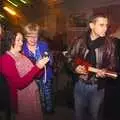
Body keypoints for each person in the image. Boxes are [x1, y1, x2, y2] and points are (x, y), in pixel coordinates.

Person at [66, 14, 119, 120]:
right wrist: (75, 68)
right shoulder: (79, 40)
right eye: (101, 25)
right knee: (79, 115)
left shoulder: (110, 44)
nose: (105, 28)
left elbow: (113, 65)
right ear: (91, 25)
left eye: (106, 25)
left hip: (97, 87)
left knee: (94, 116)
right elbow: (69, 58)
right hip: (80, 85)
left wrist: (104, 72)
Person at [0, 29, 49, 120]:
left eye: (22, 40)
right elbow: (19, 84)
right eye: (18, 40)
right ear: (10, 40)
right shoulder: (5, 59)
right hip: (22, 100)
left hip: (33, 95)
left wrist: (41, 66)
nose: (21, 43)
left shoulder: (22, 55)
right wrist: (37, 67)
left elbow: (35, 75)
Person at [22, 23, 54, 114]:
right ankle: (39, 111)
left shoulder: (43, 44)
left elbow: (50, 58)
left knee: (47, 95)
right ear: (25, 36)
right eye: (30, 36)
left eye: (35, 36)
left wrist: (49, 59)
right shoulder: (22, 48)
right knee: (36, 96)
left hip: (45, 75)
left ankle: (49, 110)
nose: (33, 39)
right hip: (32, 77)